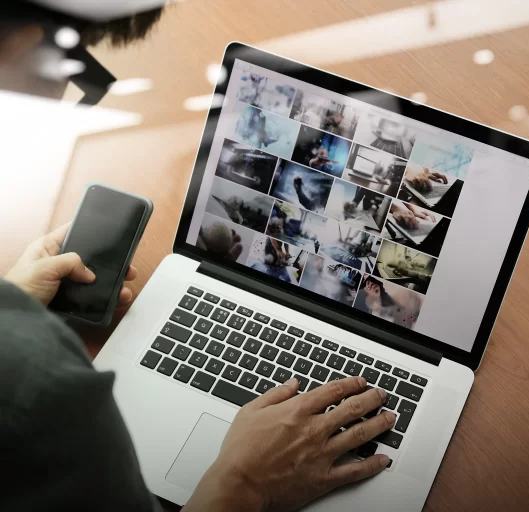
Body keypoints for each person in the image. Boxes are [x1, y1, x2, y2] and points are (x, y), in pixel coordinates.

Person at [0, 3, 394, 511]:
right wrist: (244, 485)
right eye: (81, 56)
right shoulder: (32, 388)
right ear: (26, 41)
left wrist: (15, 310)